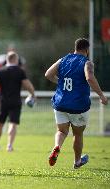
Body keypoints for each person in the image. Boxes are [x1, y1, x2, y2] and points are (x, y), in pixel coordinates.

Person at [45, 38, 108, 169]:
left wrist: (60, 83)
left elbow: (48, 74)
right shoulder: (87, 63)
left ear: (75, 48)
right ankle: (77, 161)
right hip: (78, 106)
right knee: (78, 134)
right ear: (86, 50)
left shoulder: (63, 60)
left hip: (61, 103)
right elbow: (89, 78)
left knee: (61, 131)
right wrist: (101, 95)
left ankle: (57, 147)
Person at [0, 51, 35, 152]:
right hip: (16, 101)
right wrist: (32, 94)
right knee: (13, 123)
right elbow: (28, 85)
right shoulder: (20, 71)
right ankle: (9, 146)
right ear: (16, 60)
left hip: (3, 101)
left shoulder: (0, 71)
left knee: (0, 123)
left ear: (6, 59)